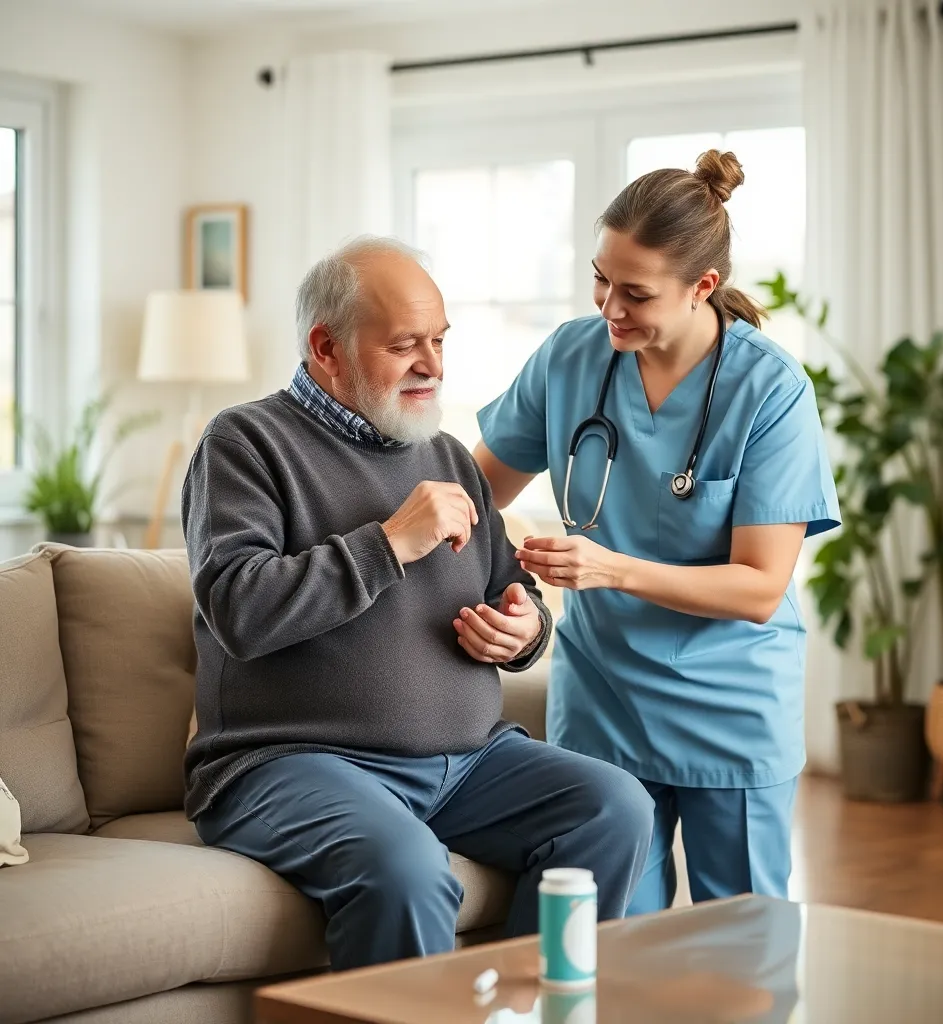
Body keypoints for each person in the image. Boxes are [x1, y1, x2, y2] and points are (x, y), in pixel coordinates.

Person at [181, 237, 654, 971]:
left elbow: (512, 591)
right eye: (405, 345)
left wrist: (523, 630)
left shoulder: (446, 454)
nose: (432, 364)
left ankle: (531, 1015)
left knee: (615, 807)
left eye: (438, 341)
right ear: (326, 348)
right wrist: (390, 542)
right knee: (407, 868)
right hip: (289, 761)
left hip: (468, 762)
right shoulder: (243, 442)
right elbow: (239, 610)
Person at [473, 151, 841, 913]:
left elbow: (759, 586)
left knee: (739, 954)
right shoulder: (571, 358)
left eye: (635, 293)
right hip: (602, 697)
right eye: (601, 280)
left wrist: (611, 569)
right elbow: (477, 492)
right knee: (604, 942)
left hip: (729, 705)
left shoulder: (770, 391)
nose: (610, 307)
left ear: (703, 286)